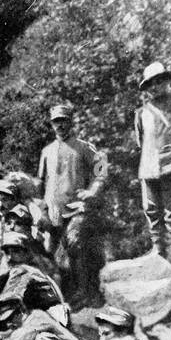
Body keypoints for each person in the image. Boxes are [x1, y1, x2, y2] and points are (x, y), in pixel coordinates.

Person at [36, 103, 109, 303]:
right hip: (53, 210)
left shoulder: (84, 147)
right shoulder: (47, 151)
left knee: (75, 243)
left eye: (63, 121)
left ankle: (84, 291)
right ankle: (56, 295)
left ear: (71, 122)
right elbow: (40, 183)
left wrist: (92, 191)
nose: (60, 125)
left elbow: (101, 169)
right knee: (47, 252)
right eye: (56, 122)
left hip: (77, 208)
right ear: (51, 125)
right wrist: (41, 209)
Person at [133, 62, 171, 271]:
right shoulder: (141, 113)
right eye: (151, 84)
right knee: (151, 209)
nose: (155, 87)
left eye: (159, 81)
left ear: (167, 82)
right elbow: (140, 141)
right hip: (148, 168)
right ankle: (158, 248)